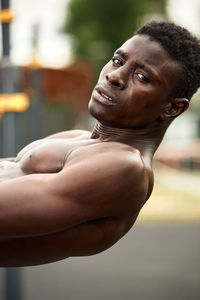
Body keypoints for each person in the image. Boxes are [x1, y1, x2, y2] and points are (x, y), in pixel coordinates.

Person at [0, 21, 200, 267]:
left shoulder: (124, 167)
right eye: (118, 61)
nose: (114, 76)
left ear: (172, 107)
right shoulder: (75, 138)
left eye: (141, 76)